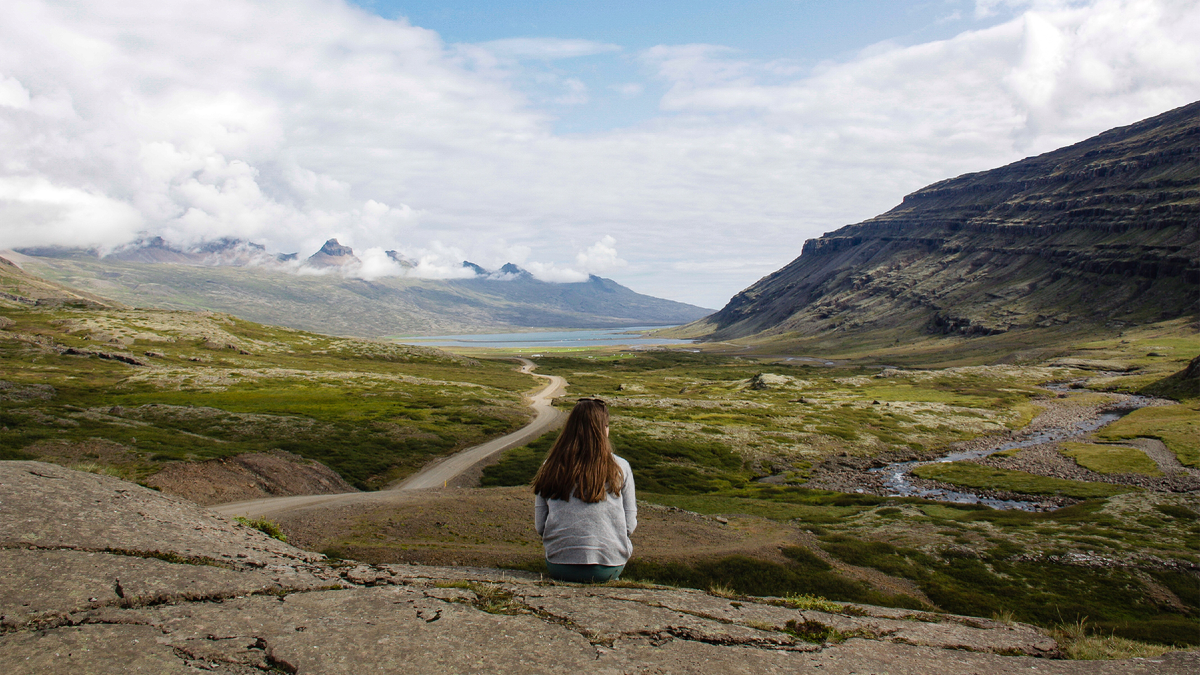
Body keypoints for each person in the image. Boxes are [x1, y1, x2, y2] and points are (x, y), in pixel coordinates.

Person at [533, 397, 637, 583]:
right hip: (610, 566)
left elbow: (540, 526)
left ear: (570, 428)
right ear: (604, 429)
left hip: (560, 566)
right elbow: (629, 525)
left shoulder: (550, 466)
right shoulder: (621, 467)